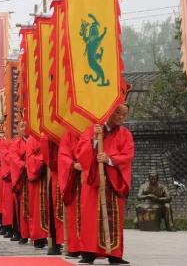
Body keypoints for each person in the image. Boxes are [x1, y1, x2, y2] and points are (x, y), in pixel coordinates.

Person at [76, 103, 134, 265]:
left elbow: (128, 155)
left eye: (124, 114)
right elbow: (81, 153)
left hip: (114, 181)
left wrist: (109, 159)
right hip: (95, 181)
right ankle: (89, 253)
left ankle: (114, 254)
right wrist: (94, 141)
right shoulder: (92, 131)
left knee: (115, 218)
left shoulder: (126, 134)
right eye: (118, 113)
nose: (121, 117)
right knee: (91, 217)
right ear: (109, 112)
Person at [58, 131, 84, 258]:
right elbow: (63, 156)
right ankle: (74, 246)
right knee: (74, 213)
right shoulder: (68, 134)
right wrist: (73, 164)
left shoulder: (94, 131)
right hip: (74, 179)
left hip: (90, 177)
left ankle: (91, 248)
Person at [26, 134, 49, 249]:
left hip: (52, 175)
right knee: (37, 208)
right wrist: (43, 159)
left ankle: (55, 239)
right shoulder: (32, 139)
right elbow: (30, 159)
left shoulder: (52, 135)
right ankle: (40, 237)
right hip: (39, 178)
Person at [9, 121, 30, 244]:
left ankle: (39, 237)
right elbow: (14, 158)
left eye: (26, 125)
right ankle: (23, 233)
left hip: (35, 175)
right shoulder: (16, 143)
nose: (25, 128)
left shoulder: (35, 141)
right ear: (18, 129)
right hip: (22, 178)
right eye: (22, 126)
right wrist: (25, 165)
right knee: (22, 207)